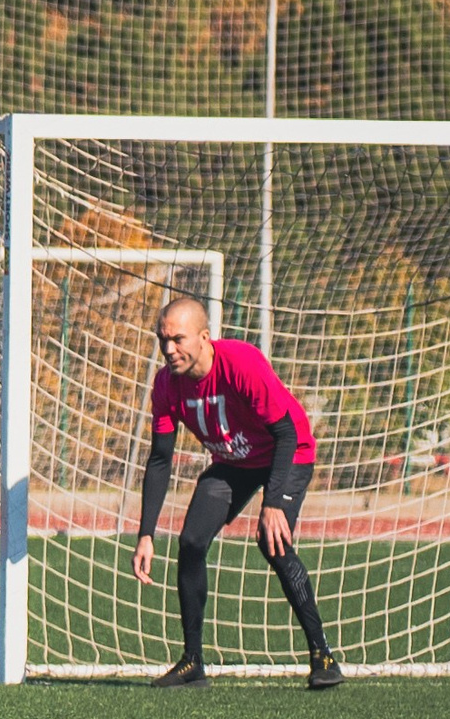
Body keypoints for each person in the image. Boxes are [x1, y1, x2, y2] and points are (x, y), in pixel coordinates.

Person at [133, 295, 342, 689]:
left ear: (205, 338)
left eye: (178, 339)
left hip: (288, 451)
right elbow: (160, 459)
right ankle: (192, 662)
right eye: (163, 340)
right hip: (234, 462)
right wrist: (146, 533)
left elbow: (286, 432)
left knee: (272, 541)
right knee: (192, 541)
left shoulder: (241, 363)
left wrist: (273, 501)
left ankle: (322, 655)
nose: (168, 349)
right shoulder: (165, 384)